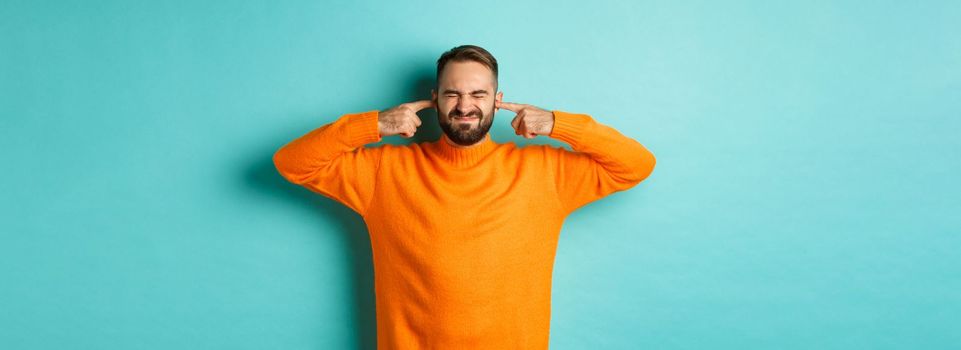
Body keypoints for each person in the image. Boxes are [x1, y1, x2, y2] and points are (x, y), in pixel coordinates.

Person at [273, 44, 656, 349]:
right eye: (453, 94)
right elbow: (292, 162)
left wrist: (558, 123)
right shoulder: (382, 172)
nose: (465, 106)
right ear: (435, 98)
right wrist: (373, 124)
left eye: (478, 93)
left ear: (497, 99)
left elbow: (636, 164)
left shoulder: (544, 173)